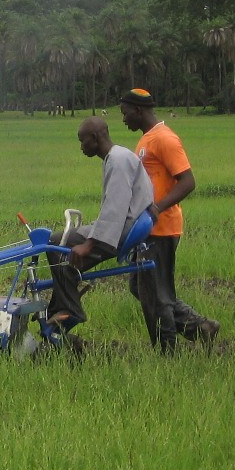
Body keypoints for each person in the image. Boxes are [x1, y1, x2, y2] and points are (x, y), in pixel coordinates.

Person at [119, 88, 219, 353]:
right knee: (141, 289)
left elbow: (187, 182)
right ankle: (200, 327)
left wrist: (156, 209)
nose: (123, 119)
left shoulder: (164, 139)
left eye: (125, 112)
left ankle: (167, 354)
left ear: (138, 111)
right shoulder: (146, 140)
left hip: (160, 228)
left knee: (156, 295)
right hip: (146, 229)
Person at [43, 116, 154, 345]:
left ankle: (68, 310)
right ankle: (58, 310)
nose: (81, 147)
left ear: (95, 138)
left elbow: (115, 208)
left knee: (55, 244)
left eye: (82, 141)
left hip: (121, 231)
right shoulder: (116, 157)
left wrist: (89, 244)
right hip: (121, 227)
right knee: (63, 254)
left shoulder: (118, 160)